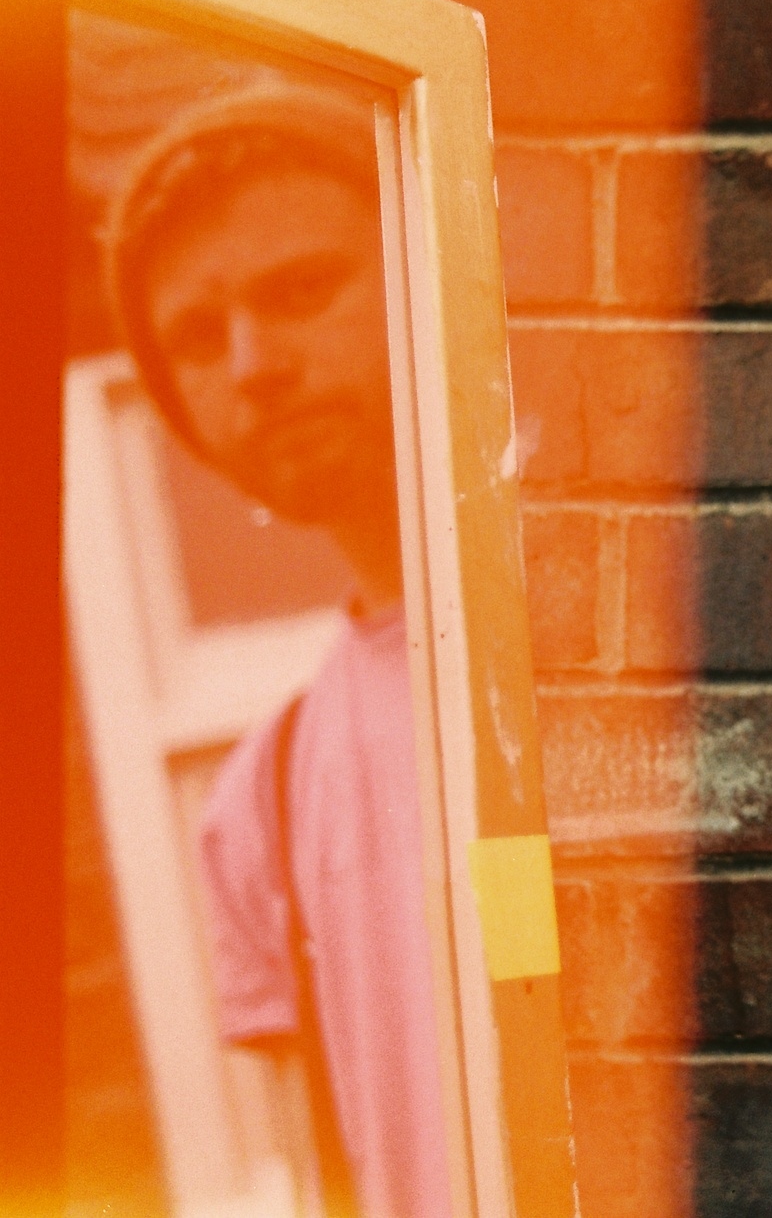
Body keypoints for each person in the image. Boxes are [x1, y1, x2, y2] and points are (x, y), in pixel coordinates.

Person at [108, 88, 451, 1218]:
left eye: (302, 290)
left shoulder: (642, 643)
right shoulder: (260, 797)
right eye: (197, 340)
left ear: (426, 263)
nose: (251, 365)